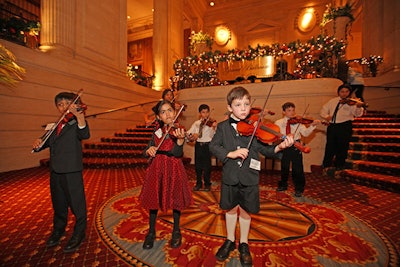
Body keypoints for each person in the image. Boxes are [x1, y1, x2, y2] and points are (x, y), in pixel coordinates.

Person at [209, 86, 294, 266]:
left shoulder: (255, 127)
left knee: (246, 211)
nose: (243, 108)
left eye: (246, 104)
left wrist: (280, 147)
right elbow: (214, 146)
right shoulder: (223, 127)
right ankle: (230, 239)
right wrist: (230, 153)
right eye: (238, 104)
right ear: (230, 107)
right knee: (231, 209)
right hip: (230, 176)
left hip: (249, 177)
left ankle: (244, 243)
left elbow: (266, 149)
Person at [32, 92, 90, 253]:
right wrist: (38, 143)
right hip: (55, 171)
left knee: (77, 205)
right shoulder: (54, 125)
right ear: (58, 108)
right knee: (59, 204)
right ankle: (58, 230)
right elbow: (45, 143)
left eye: (67, 103)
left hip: (71, 170)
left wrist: (79, 116)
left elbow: (84, 133)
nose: (64, 106)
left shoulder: (76, 122)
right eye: (60, 104)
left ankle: (79, 233)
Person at [139, 100, 193, 250]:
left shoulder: (178, 129)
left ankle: (176, 230)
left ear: (175, 113)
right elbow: (146, 151)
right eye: (163, 112)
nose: (168, 114)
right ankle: (151, 232)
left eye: (170, 110)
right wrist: (148, 151)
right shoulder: (156, 131)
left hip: (173, 167)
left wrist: (181, 141)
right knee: (154, 199)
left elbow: (177, 153)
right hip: (157, 168)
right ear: (158, 117)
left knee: (175, 199)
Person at [274, 102, 320, 197]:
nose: (291, 113)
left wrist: (312, 126)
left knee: (297, 168)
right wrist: (284, 138)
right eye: (289, 110)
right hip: (284, 144)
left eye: (293, 110)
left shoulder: (299, 122)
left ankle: (299, 188)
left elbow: (306, 134)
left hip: (296, 145)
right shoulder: (278, 122)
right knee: (284, 167)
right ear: (283, 112)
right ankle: (283, 185)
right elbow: (275, 135)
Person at [320, 84, 364, 172]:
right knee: (330, 146)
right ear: (338, 92)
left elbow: (358, 114)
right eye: (342, 92)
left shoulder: (352, 102)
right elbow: (323, 110)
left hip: (345, 126)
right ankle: (326, 164)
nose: (344, 94)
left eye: (346, 92)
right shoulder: (333, 101)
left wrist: (359, 107)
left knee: (342, 146)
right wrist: (326, 116)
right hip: (332, 126)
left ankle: (339, 165)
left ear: (349, 93)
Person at [186, 104, 217, 191]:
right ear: (200, 113)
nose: (206, 114)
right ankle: (198, 183)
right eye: (203, 112)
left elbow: (212, 136)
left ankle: (207, 184)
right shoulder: (196, 123)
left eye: (207, 112)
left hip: (207, 145)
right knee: (198, 166)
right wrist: (192, 135)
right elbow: (189, 132)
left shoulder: (211, 123)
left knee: (207, 166)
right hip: (198, 145)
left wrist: (214, 128)